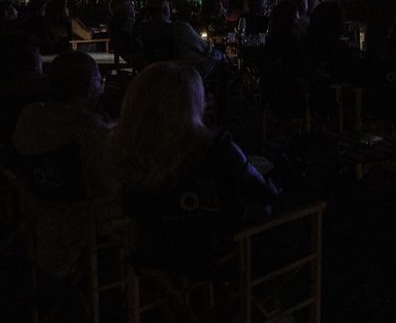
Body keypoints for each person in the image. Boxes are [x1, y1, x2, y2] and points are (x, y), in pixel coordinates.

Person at [112, 62, 288, 271]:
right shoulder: (216, 150)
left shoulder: (125, 150)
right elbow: (263, 193)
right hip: (219, 256)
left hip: (152, 255)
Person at [12, 51, 116, 277]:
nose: (101, 85)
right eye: (99, 80)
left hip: (39, 212)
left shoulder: (29, 118)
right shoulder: (88, 130)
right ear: (90, 86)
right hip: (83, 223)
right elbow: (110, 182)